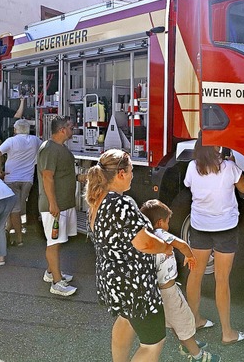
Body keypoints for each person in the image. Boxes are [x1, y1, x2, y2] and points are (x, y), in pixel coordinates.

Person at [85, 149, 171, 362]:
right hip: (134, 285)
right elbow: (145, 243)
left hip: (113, 278)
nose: (134, 175)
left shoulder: (100, 199)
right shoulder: (121, 204)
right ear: (121, 173)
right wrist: (166, 247)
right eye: (132, 170)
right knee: (154, 342)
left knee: (125, 319)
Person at [184, 136, 244, 345]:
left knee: (195, 275)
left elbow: (189, 185)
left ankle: (194, 320)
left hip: (200, 226)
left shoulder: (193, 167)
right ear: (215, 146)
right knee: (222, 280)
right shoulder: (229, 167)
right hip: (225, 228)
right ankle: (227, 332)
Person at [140, 199, 220, 362]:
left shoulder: (145, 238)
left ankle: (186, 344)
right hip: (169, 291)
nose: (169, 225)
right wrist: (190, 255)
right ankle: (197, 355)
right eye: (168, 221)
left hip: (155, 290)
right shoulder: (161, 234)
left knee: (174, 321)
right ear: (160, 222)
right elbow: (182, 244)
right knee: (184, 321)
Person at [37, 115, 78, 297]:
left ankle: (51, 272)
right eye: (70, 127)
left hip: (64, 204)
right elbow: (47, 176)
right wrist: (53, 203)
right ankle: (56, 283)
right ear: (62, 130)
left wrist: (80, 178)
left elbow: (63, 174)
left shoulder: (61, 149)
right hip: (55, 206)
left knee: (59, 240)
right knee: (53, 243)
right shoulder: (49, 149)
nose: (73, 130)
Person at [0, 119, 42, 246]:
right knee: (16, 208)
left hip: (11, 178)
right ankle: (8, 231)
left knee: (14, 210)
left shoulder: (11, 140)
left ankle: (19, 239)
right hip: (27, 180)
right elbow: (43, 150)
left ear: (15, 130)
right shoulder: (35, 140)